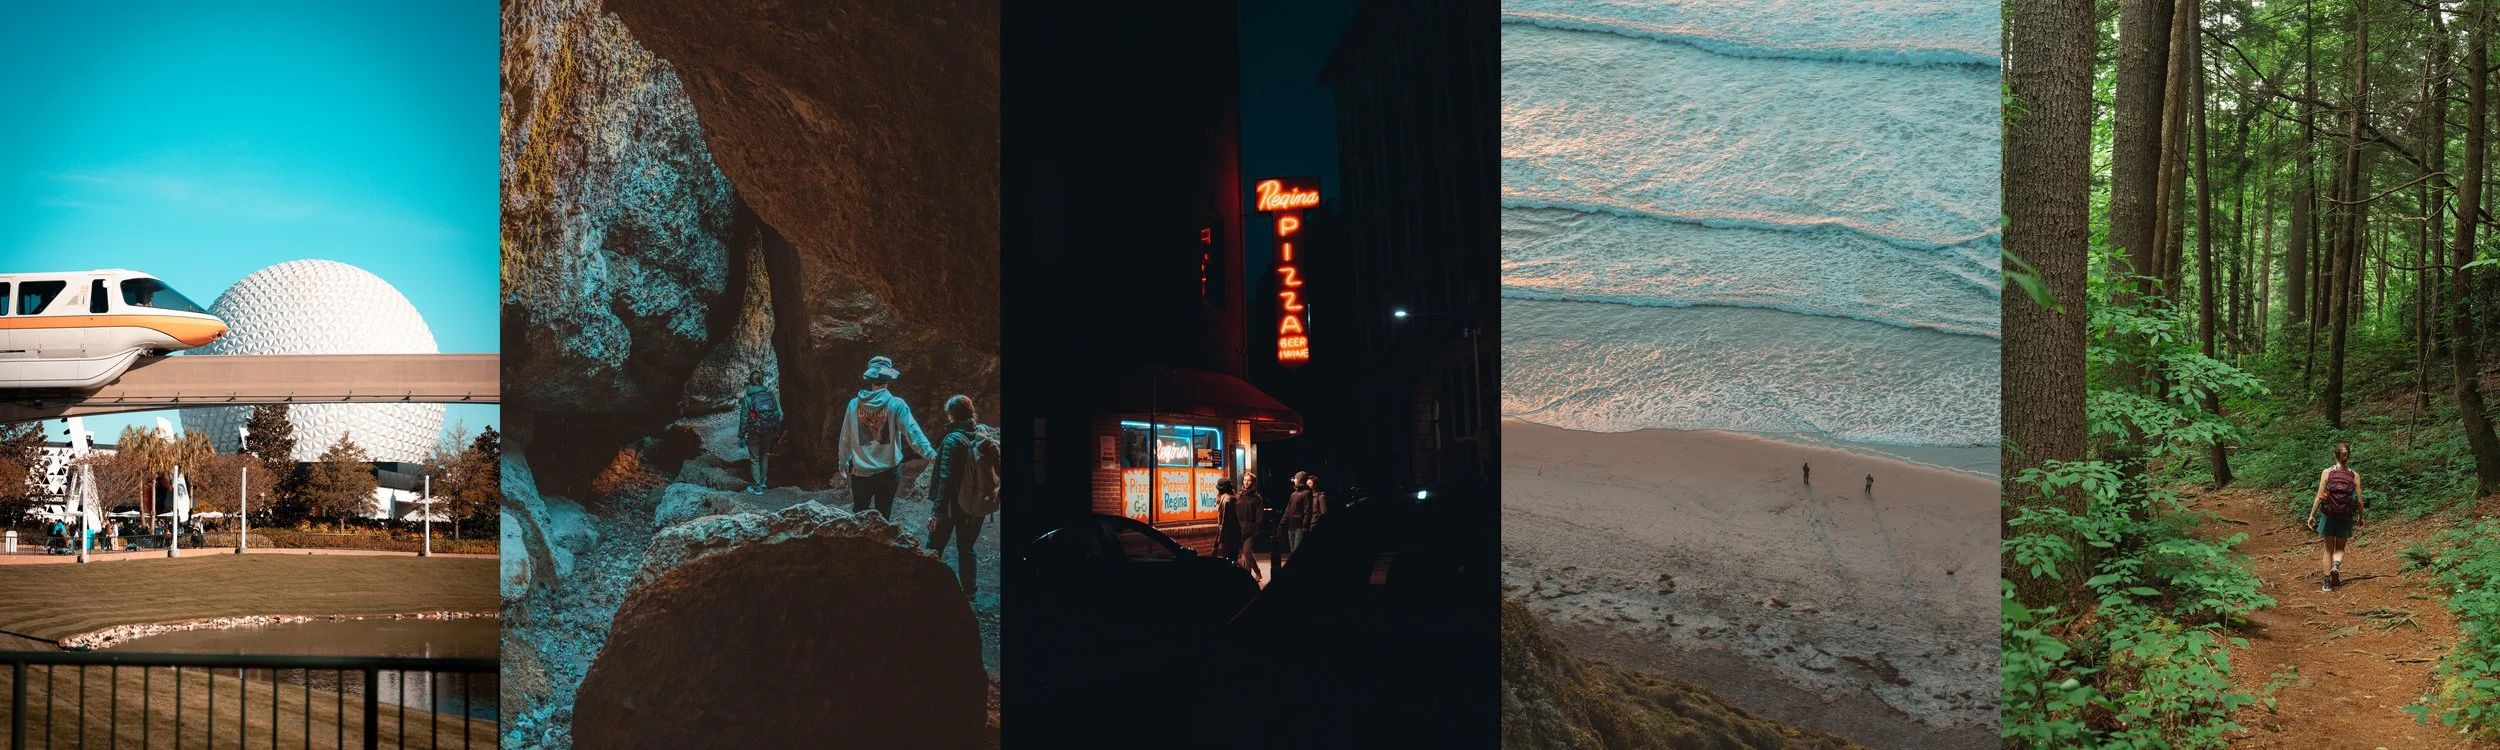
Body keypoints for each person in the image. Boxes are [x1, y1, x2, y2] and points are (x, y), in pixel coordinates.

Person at [840, 355, 936, 518]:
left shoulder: (853, 405)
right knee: (883, 515)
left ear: (870, 379)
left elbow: (846, 438)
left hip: (861, 473)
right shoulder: (896, 404)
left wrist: (842, 461)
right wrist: (931, 454)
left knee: (859, 515)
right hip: (888, 472)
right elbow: (913, 432)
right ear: (889, 379)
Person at [927, 395, 996, 596]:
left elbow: (946, 479)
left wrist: (936, 513)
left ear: (951, 415)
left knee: (934, 546)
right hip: (975, 502)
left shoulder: (952, 440)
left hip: (951, 506)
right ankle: (969, 592)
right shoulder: (982, 432)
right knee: (967, 548)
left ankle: (929, 586)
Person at [2307, 443, 2364, 592]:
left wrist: (2312, 515)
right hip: (2345, 516)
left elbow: (2320, 497)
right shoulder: (2354, 475)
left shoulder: (2327, 472)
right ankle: (2336, 565)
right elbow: (2358, 501)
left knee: (2328, 549)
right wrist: (2361, 517)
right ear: (2348, 456)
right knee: (2340, 547)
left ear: (2335, 455)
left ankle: (2326, 583)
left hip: (2329, 514)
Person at [737, 370, 783, 495]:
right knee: (764, 455)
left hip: (754, 431)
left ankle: (757, 486)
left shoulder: (749, 397)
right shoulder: (770, 395)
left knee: (754, 458)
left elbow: (744, 417)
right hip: (768, 430)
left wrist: (741, 435)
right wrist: (776, 429)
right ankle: (763, 482)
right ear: (762, 380)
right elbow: (777, 413)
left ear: (750, 381)